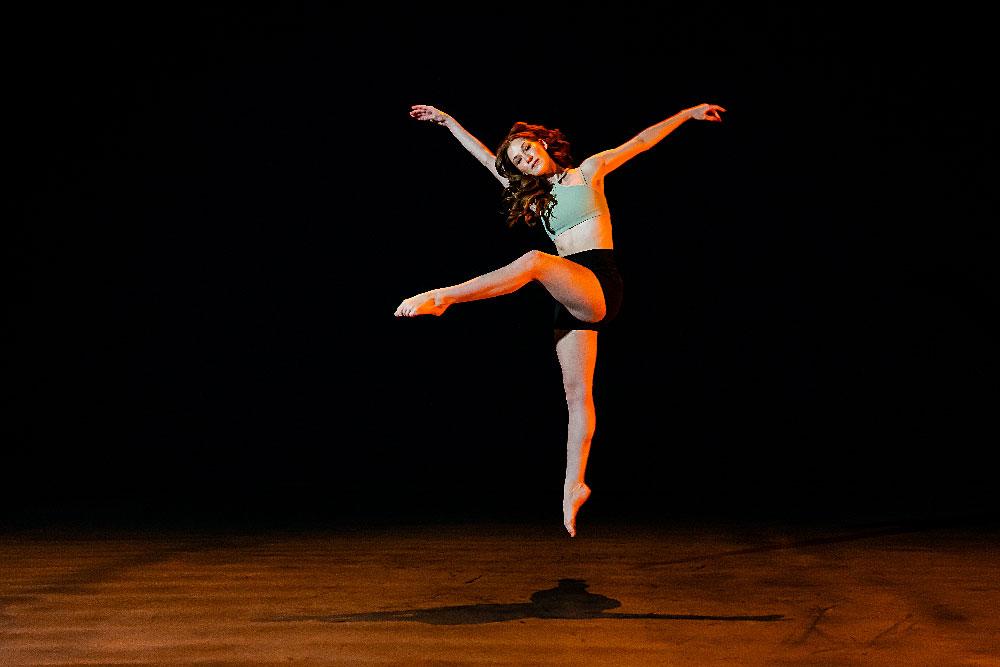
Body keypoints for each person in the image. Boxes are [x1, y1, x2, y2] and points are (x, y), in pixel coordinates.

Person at [395, 102, 725, 536]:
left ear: (543, 142)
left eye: (526, 149)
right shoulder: (537, 194)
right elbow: (482, 157)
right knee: (577, 397)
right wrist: (449, 123)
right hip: (567, 291)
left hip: (598, 282)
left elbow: (642, 141)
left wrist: (687, 115)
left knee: (534, 260)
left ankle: (443, 297)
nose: (523, 159)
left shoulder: (589, 170)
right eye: (515, 161)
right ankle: (574, 487)